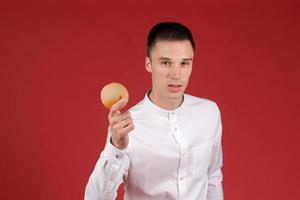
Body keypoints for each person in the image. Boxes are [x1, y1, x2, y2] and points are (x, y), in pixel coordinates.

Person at [85, 22, 224, 200]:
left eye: (184, 63)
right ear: (148, 64)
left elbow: (212, 177)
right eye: (166, 63)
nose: (176, 74)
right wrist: (116, 148)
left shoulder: (209, 113)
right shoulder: (127, 128)